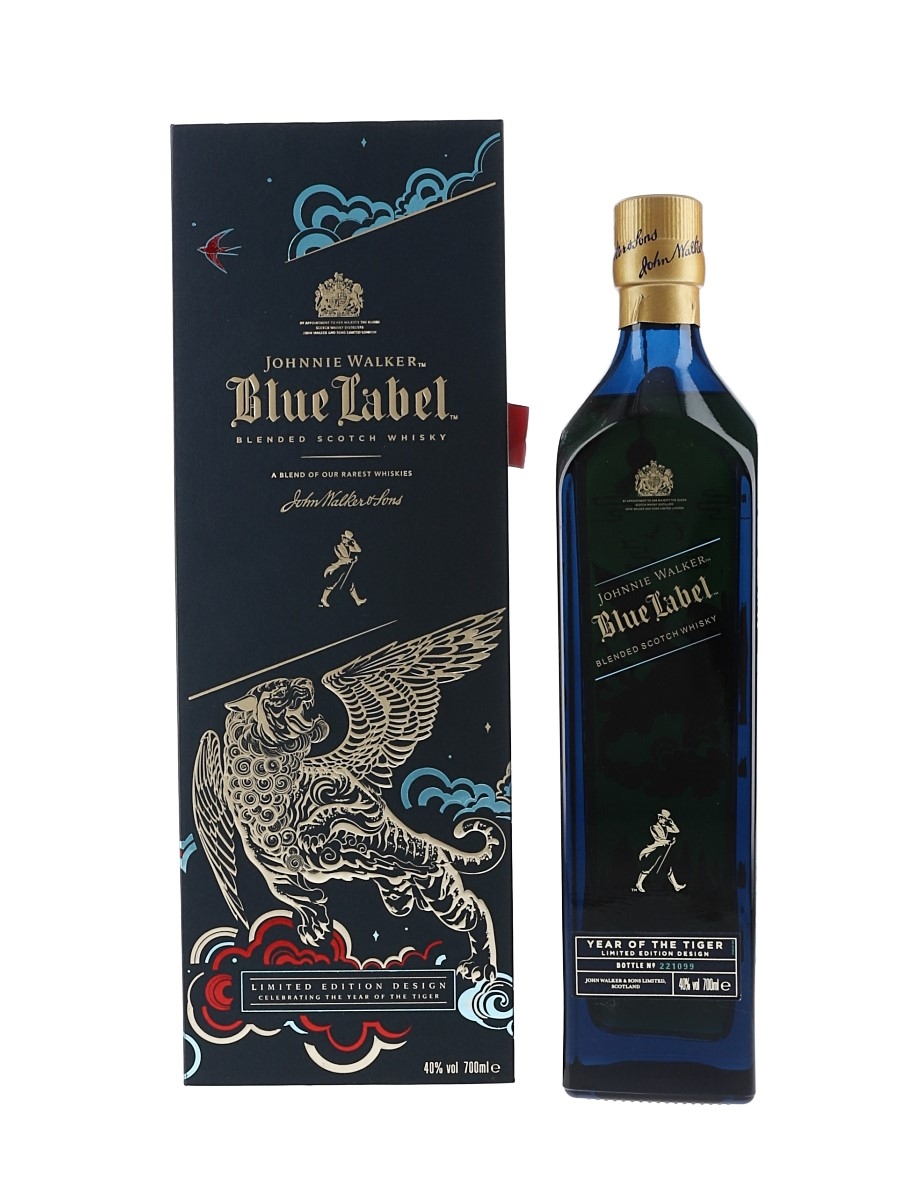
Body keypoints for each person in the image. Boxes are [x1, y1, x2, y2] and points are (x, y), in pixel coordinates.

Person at [633, 809, 686, 893]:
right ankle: (639, 883)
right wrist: (669, 841)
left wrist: (672, 823)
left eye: (665, 819)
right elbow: (659, 840)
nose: (664, 820)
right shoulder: (654, 826)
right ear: (659, 818)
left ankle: (676, 886)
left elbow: (677, 831)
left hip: (662, 851)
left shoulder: (665, 827)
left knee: (668, 867)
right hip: (653, 850)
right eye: (663, 818)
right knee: (648, 866)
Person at [319, 530, 367, 608]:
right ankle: (323, 598)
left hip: (345, 568)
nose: (346, 540)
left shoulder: (348, 547)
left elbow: (358, 550)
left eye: (348, 539)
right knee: (333, 582)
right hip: (338, 567)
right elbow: (341, 557)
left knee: (350, 583)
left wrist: (355, 543)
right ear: (342, 537)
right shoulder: (337, 546)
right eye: (345, 538)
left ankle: (357, 600)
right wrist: (351, 560)